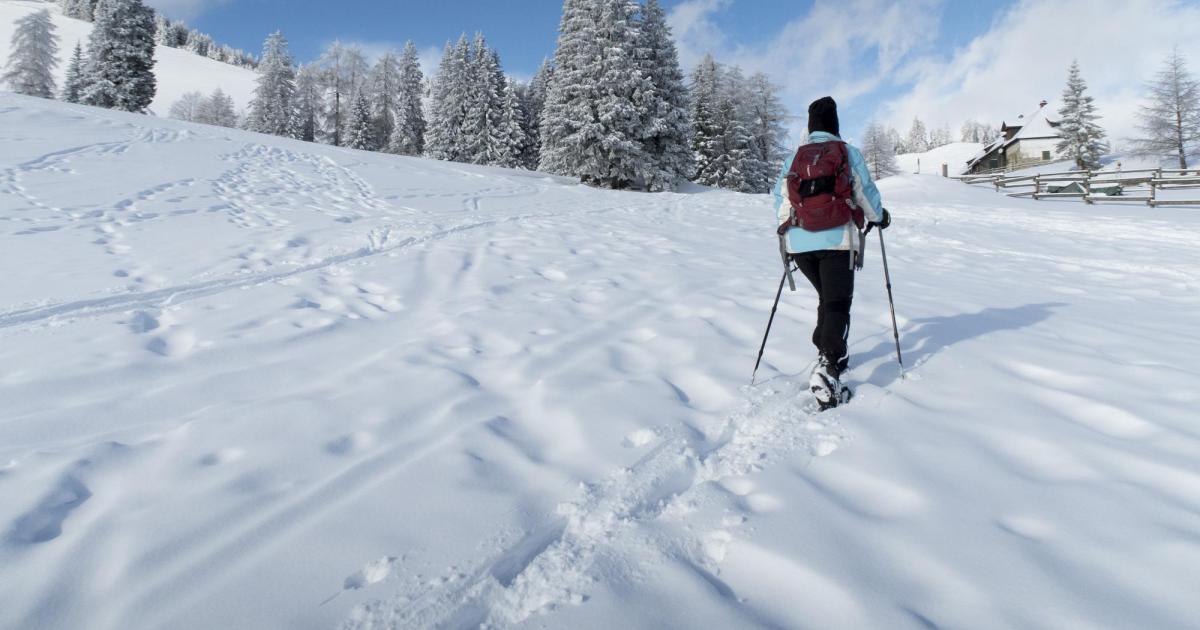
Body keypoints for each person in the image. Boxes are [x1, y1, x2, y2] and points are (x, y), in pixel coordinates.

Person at [771, 96, 890, 410]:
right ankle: (828, 366)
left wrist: (786, 230)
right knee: (838, 302)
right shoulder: (846, 152)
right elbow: (864, 192)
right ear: (835, 125)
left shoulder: (794, 158)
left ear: (811, 127)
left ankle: (830, 350)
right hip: (837, 241)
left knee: (828, 299)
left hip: (800, 243)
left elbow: (780, 200)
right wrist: (879, 217)